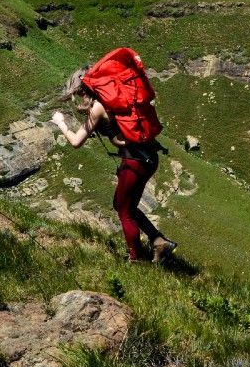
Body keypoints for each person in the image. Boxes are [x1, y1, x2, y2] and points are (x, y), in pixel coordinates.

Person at [52, 66, 177, 263]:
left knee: (125, 212)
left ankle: (136, 260)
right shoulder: (115, 99)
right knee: (123, 205)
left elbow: (76, 141)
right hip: (148, 158)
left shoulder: (97, 107)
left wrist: (61, 124)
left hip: (134, 162)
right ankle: (159, 241)